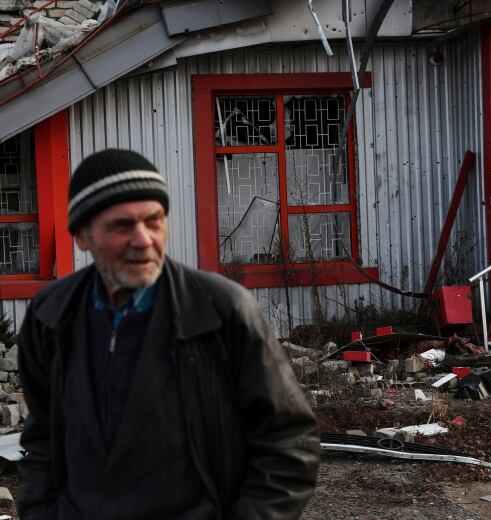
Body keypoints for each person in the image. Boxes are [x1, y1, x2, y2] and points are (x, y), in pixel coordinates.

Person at [17, 149, 320, 519]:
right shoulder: (50, 316)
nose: (144, 239)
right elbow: (41, 437)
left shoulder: (223, 312)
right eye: (122, 226)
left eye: (154, 221)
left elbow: (289, 443)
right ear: (82, 236)